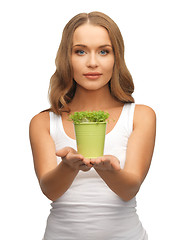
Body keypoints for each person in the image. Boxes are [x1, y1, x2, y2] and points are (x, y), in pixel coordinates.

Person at [29, 11, 156, 240]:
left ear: (116, 57)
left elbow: (129, 190)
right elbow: (50, 190)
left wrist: (108, 170)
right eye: (80, 51)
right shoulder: (44, 122)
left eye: (103, 51)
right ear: (66, 58)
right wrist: (68, 166)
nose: (92, 62)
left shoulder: (140, 116)